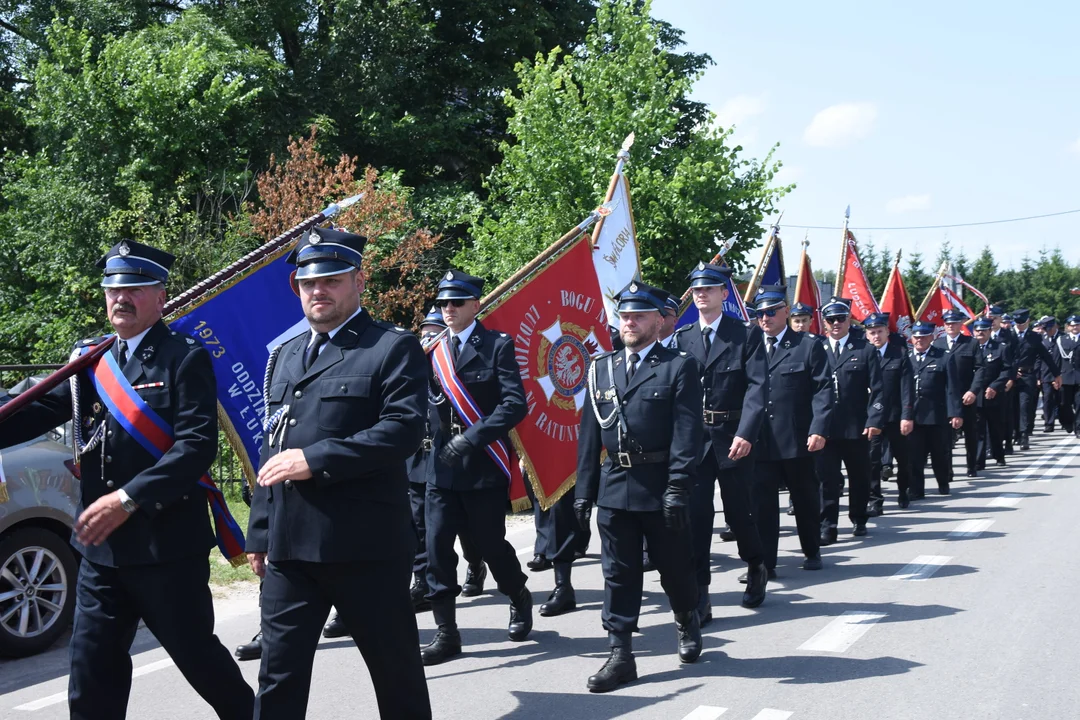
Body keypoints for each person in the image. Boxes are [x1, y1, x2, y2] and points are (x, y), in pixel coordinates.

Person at [0, 240, 254, 720]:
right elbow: (33, 410)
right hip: (101, 552)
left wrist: (128, 498)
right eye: (113, 289)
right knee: (92, 673)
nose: (122, 298)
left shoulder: (184, 356)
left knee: (201, 662)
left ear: (160, 297)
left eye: (136, 288)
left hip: (166, 547)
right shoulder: (91, 360)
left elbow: (195, 447)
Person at [246, 227, 431, 719]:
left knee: (396, 678)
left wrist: (317, 459)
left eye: (330, 279)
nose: (317, 290)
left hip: (364, 546)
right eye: (307, 283)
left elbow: (403, 431)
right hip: (291, 548)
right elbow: (273, 443)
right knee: (278, 678)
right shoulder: (285, 356)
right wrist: (260, 531)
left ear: (358, 281)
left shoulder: (391, 347)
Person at [575, 280, 703, 693]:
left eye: (638, 315)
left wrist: (678, 488)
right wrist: (583, 493)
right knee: (618, 574)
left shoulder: (678, 366)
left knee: (674, 569)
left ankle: (686, 617)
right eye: (624, 316)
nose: (629, 322)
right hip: (615, 486)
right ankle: (621, 654)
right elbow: (590, 436)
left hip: (661, 485)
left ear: (657, 321)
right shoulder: (601, 367)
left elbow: (688, 434)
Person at [421, 269, 532, 666]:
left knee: (488, 545)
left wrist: (473, 437)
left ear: (476, 305)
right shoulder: (431, 348)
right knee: (436, 550)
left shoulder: (497, 346)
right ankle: (446, 633)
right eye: (442, 303)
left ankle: (518, 594)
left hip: (483, 463)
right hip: (440, 468)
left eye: (456, 302)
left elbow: (514, 404)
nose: (447, 309)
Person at [671, 261, 769, 625]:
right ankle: (700, 593)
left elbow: (758, 388)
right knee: (696, 519)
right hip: (696, 441)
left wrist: (746, 432)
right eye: (697, 289)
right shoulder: (683, 338)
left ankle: (756, 563)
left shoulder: (745, 334)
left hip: (733, 437)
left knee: (739, 514)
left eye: (708, 289)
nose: (701, 294)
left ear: (724, 294)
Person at [751, 286, 832, 574]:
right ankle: (766, 564)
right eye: (760, 313)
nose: (765, 318)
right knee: (763, 506)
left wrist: (819, 428)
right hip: (760, 440)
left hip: (797, 439)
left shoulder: (807, 345)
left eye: (771, 311)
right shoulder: (750, 346)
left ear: (786, 311)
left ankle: (811, 550)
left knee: (805, 499)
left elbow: (823, 390)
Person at [817, 297, 884, 544]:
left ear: (849, 320)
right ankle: (828, 525)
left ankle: (859, 516)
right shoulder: (816, 348)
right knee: (827, 479)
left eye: (841, 318)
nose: (836, 323)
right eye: (831, 319)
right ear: (824, 323)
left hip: (857, 427)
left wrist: (874, 419)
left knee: (859, 475)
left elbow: (878, 389)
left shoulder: (865, 350)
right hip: (825, 427)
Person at [863, 313, 915, 510]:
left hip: (894, 416)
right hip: (871, 418)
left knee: (903, 458)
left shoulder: (899, 354)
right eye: (872, 332)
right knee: (872, 461)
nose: (876, 336)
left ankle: (903, 491)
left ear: (887, 332)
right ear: (867, 335)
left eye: (879, 331)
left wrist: (907, 416)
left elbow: (907, 388)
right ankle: (875, 500)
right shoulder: (863, 354)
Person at [907, 321, 964, 498]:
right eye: (916, 337)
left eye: (923, 337)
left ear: (931, 337)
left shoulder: (943, 357)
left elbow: (952, 388)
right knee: (915, 455)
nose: (920, 340)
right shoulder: (906, 358)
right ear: (912, 339)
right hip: (914, 415)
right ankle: (917, 489)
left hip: (937, 414)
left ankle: (943, 481)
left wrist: (955, 412)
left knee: (940, 453)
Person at [935, 310, 980, 477]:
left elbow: (980, 369)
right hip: (945, 397)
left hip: (965, 395)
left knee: (970, 432)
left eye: (954, 323)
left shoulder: (971, 343)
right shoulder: (938, 344)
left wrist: (973, 390)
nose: (950, 326)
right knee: (945, 436)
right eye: (947, 323)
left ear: (961, 324)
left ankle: (971, 465)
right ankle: (947, 469)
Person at [1010, 309, 1061, 450]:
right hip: (1010, 377)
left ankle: (1024, 434)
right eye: (1017, 322)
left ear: (1028, 320)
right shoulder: (1008, 335)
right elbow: (1004, 357)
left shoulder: (1035, 337)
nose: (1019, 325)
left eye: (1022, 322)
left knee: (1025, 406)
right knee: (1012, 406)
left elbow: (1046, 357)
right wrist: (1012, 372)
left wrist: (1057, 374)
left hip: (1028, 376)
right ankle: (1014, 433)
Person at [971, 317, 1012, 467]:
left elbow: (1007, 370)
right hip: (975, 394)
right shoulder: (969, 347)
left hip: (994, 394)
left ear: (989, 331)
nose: (980, 332)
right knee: (978, 429)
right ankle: (978, 460)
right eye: (977, 329)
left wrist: (995, 386)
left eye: (983, 329)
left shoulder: (1000, 348)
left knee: (995, 428)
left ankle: (999, 455)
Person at [1038, 317, 1064, 433]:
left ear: (1055, 327)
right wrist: (1038, 377)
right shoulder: (1041, 339)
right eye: (1045, 329)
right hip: (1046, 374)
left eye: (1049, 329)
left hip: (1062, 374)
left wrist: (1058, 375)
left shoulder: (1063, 338)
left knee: (1062, 400)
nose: (1047, 331)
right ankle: (1049, 423)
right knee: (1047, 399)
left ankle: (1064, 420)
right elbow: (1038, 359)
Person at [1061, 315, 1080, 437]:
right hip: (1065, 377)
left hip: (1079, 377)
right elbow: (1056, 360)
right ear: (1068, 327)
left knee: (1079, 404)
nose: (1075, 327)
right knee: (1064, 404)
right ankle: (1068, 422)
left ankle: (1078, 428)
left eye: (1077, 325)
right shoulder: (1061, 340)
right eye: (1072, 325)